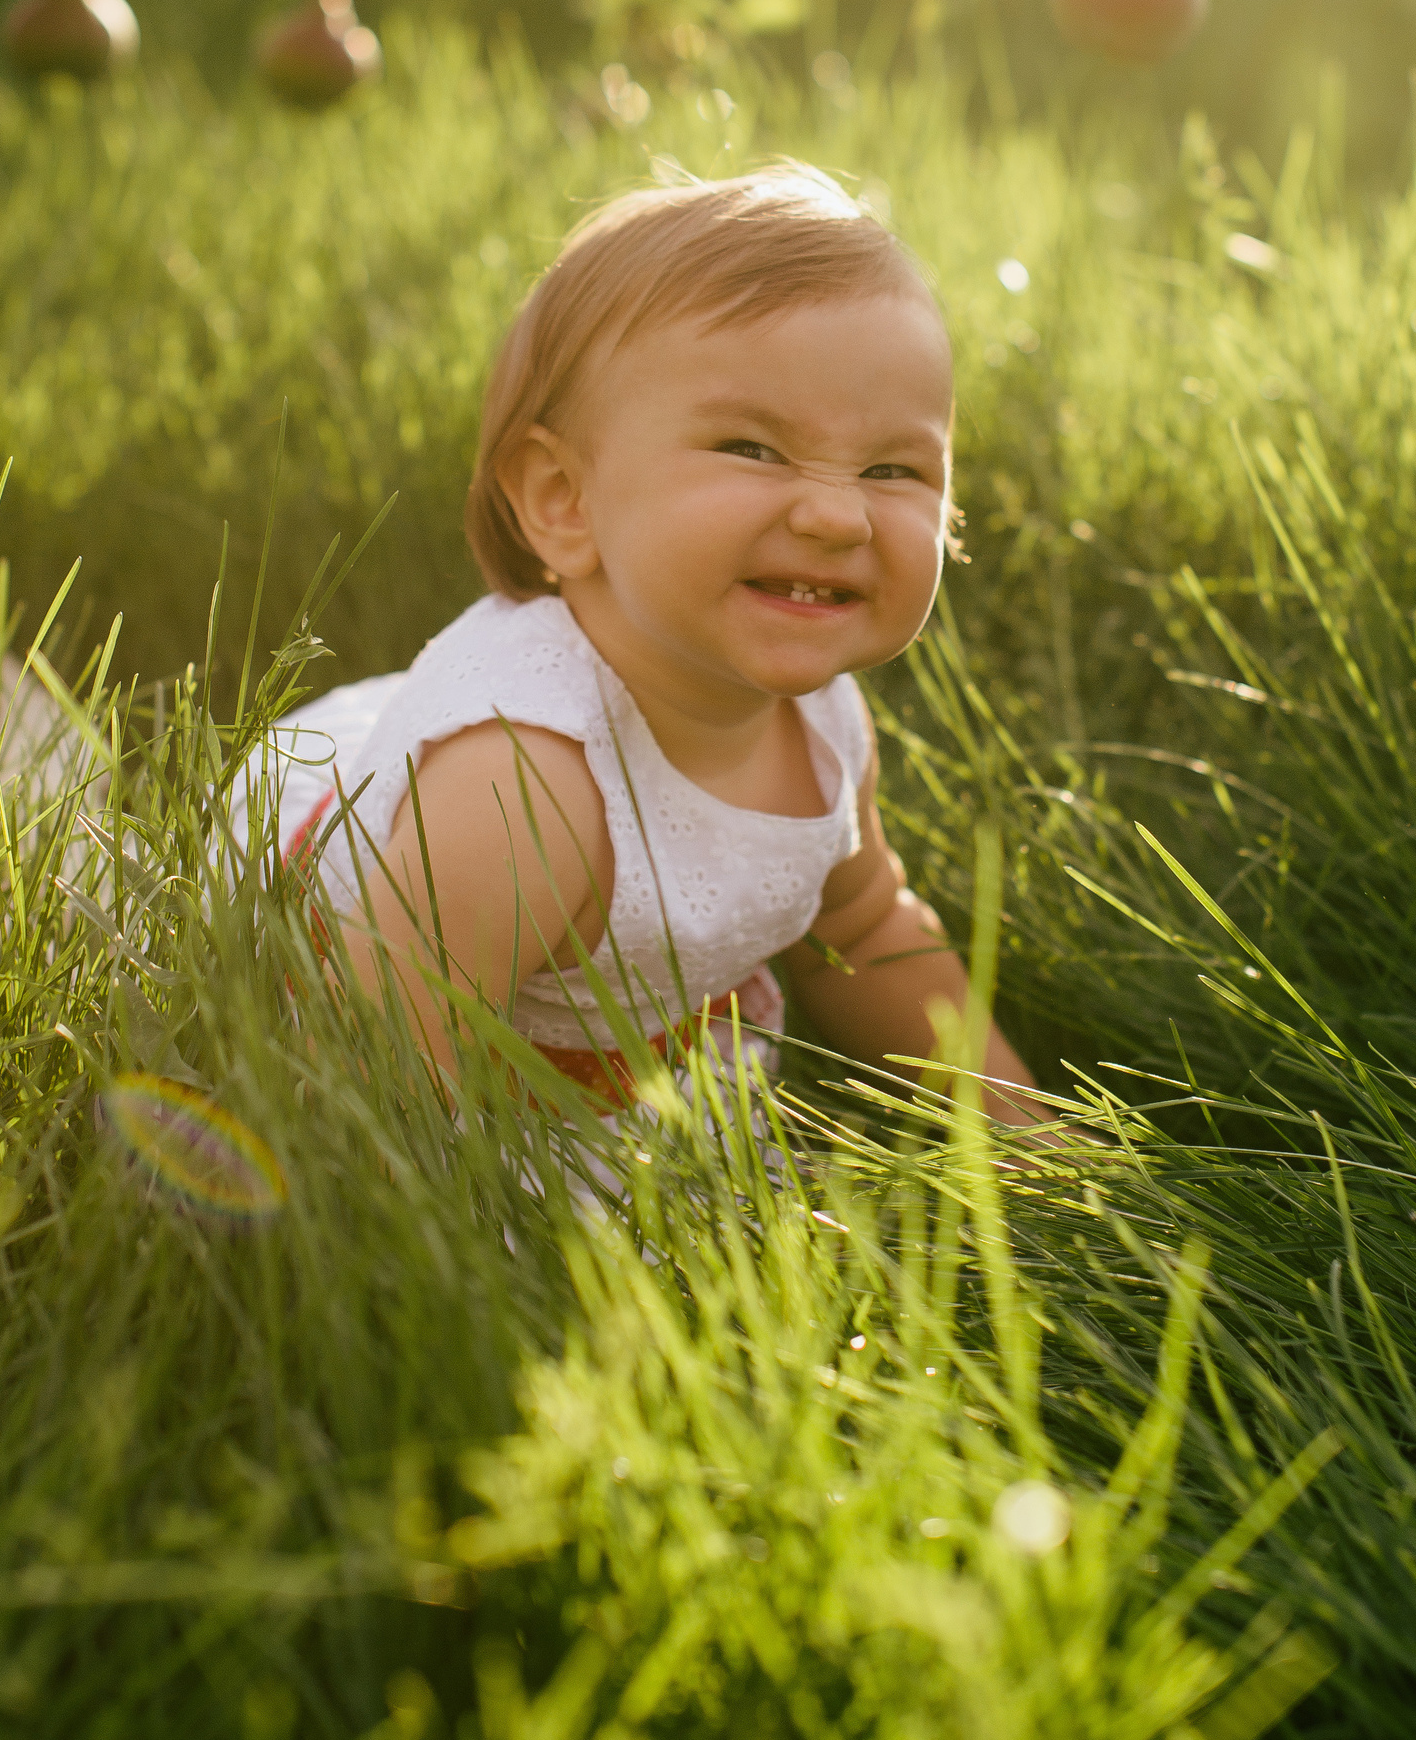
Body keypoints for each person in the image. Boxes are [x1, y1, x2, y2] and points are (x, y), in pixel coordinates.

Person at [241, 163, 1054, 1130]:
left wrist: (1029, 1143)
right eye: (751, 449)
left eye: (892, 468)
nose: (838, 516)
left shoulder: (821, 721)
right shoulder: (520, 789)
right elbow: (368, 1068)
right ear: (564, 499)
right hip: (395, 999)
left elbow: (865, 929)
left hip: (601, 1031)